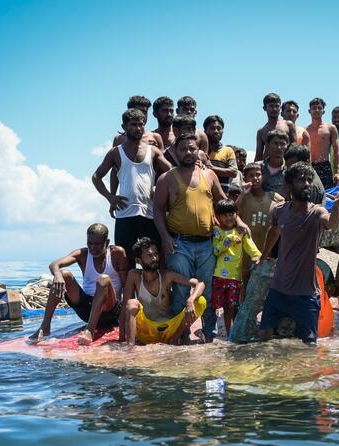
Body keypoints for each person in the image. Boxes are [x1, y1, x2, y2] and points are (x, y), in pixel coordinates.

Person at [153, 133, 247, 342]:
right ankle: (182, 335)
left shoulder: (209, 175)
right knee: (180, 291)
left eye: (192, 148)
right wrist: (165, 236)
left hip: (207, 243)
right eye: (184, 149)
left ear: (199, 151)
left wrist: (239, 223)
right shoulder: (166, 178)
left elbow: (224, 204)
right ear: (176, 152)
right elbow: (157, 211)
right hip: (179, 243)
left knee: (209, 291)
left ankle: (209, 335)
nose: (188, 152)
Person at [258, 163, 339, 343]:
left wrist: (338, 205)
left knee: (308, 345)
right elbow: (274, 230)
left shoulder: (317, 212)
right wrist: (262, 257)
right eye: (301, 180)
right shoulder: (279, 211)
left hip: (305, 294)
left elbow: (332, 225)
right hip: (278, 290)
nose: (307, 184)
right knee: (264, 336)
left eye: (309, 180)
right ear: (290, 185)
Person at [91, 108, 173, 264]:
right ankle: (127, 289)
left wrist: (158, 187)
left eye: (141, 125)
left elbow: (171, 172)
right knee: (125, 260)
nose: (138, 128)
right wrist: (110, 197)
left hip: (149, 213)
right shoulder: (115, 153)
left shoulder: (153, 151)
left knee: (154, 259)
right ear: (124, 126)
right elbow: (96, 177)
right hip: (125, 214)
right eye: (133, 124)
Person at [29, 224, 128, 345]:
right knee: (64, 274)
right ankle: (45, 327)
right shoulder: (83, 254)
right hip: (87, 310)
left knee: (103, 279)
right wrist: (58, 276)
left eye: (96, 244)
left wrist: (125, 317)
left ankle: (90, 330)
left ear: (106, 242)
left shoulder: (117, 253)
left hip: (109, 311)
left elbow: (126, 285)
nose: (92, 247)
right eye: (89, 243)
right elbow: (54, 264)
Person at [119, 236, 206, 346]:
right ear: (138, 261)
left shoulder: (166, 276)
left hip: (168, 329)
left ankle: (174, 339)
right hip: (146, 331)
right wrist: (121, 337)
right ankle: (130, 347)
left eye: (156, 254)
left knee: (201, 301)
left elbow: (200, 283)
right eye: (149, 256)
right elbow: (125, 307)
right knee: (131, 304)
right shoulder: (134, 275)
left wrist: (190, 300)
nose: (154, 258)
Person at [212, 199, 261, 335]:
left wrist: (260, 258)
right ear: (218, 216)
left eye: (231, 214)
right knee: (217, 305)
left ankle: (230, 334)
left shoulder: (241, 231)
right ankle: (213, 331)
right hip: (218, 276)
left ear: (236, 214)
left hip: (235, 277)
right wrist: (229, 240)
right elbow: (216, 250)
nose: (228, 218)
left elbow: (252, 250)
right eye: (224, 215)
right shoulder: (217, 231)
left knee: (232, 306)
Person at [236, 162, 284, 252]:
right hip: (244, 250)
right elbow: (233, 213)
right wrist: (242, 194)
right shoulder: (242, 197)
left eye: (258, 175)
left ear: (263, 177)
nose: (255, 178)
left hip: (265, 252)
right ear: (245, 179)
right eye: (251, 175)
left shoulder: (274, 197)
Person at [306, 97, 339, 189]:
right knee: (310, 195)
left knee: (327, 196)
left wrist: (338, 172)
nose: (317, 110)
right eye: (314, 108)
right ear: (309, 111)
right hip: (309, 166)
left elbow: (337, 151)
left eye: (319, 108)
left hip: (324, 166)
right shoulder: (305, 130)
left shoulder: (330, 128)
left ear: (323, 111)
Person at [255, 93, 298, 161]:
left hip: (285, 165)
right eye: (271, 106)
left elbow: (296, 149)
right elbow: (258, 155)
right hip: (267, 167)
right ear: (265, 108)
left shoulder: (288, 125)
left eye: (277, 106)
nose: (274, 109)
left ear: (280, 108)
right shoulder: (261, 131)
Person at [203, 115, 240, 192]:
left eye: (219, 128)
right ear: (205, 131)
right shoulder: (200, 150)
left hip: (222, 198)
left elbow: (233, 172)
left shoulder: (228, 151)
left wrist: (211, 168)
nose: (216, 131)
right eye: (212, 128)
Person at [260, 129, 290, 195]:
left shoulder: (290, 171)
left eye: (282, 144)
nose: (279, 147)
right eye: (275, 143)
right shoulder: (257, 168)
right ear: (267, 145)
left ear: (287, 146)